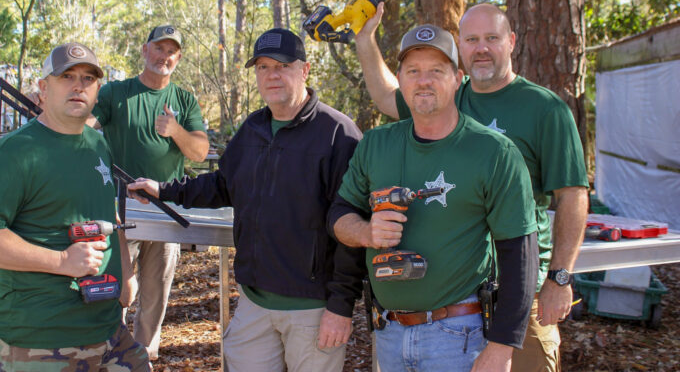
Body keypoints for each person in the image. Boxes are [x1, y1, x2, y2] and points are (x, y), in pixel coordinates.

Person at [355, 3, 589, 372]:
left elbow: (573, 195)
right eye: (472, 39)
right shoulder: (445, 94)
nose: (482, 48)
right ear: (460, 50)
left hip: (522, 286)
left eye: (491, 38)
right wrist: (365, 40)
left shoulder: (544, 109)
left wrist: (559, 277)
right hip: (461, 295)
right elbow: (388, 96)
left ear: (511, 42)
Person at [127, 28, 365, 372]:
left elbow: (352, 229)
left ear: (305, 69)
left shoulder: (338, 134)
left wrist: (341, 307)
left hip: (312, 309)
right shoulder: (253, 129)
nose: (272, 75)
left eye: (282, 65)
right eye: (263, 67)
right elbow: (222, 185)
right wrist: (164, 190)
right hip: (254, 302)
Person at [329, 26, 539, 371]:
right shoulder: (375, 144)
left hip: (459, 335)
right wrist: (366, 232)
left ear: (458, 78)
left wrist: (502, 346)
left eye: (436, 71)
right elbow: (338, 214)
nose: (423, 81)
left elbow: (520, 255)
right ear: (399, 78)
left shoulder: (494, 152)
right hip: (389, 332)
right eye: (413, 71)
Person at [0, 42, 149, 370]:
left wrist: (126, 273)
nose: (78, 85)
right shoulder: (14, 154)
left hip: (106, 330)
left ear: (97, 90)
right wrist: (61, 260)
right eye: (67, 76)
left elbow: (107, 214)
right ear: (43, 89)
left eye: (88, 78)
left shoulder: (97, 144)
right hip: (38, 340)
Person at [90, 25, 209, 360]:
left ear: (178, 58)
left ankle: (142, 356)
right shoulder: (116, 92)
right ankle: (109, 351)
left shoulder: (183, 100)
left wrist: (174, 131)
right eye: (159, 49)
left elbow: (199, 152)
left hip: (164, 208)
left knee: (156, 289)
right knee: (117, 285)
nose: (164, 57)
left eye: (171, 51)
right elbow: (83, 127)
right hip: (120, 207)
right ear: (145, 51)